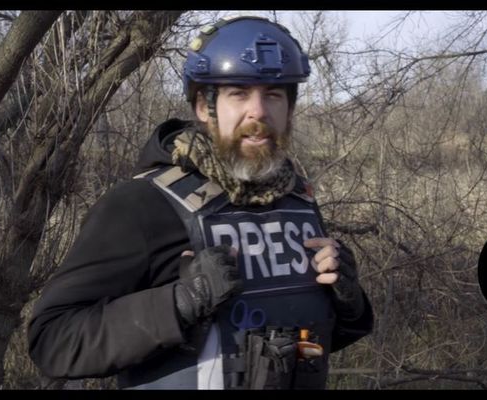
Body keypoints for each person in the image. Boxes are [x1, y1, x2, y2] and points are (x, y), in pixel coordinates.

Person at [28, 15, 373, 390]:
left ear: (289, 108)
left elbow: (297, 343)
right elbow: (52, 339)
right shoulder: (141, 204)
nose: (258, 111)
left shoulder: (296, 200)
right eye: (238, 93)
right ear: (204, 108)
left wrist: (346, 300)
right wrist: (179, 303)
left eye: (273, 94)